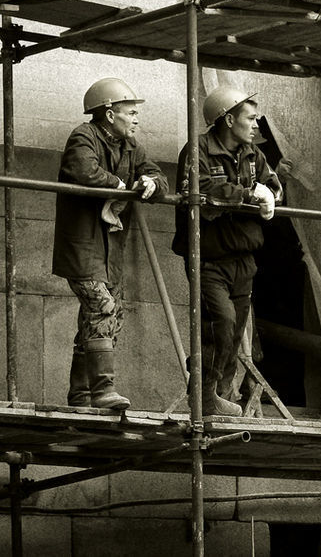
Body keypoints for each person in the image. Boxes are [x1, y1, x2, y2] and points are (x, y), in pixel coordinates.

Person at [53, 78, 169, 410]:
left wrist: (150, 182)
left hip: (109, 249)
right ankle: (103, 390)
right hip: (83, 246)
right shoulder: (82, 137)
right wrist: (122, 184)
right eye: (130, 113)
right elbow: (84, 171)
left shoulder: (132, 146)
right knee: (101, 309)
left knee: (103, 315)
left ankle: (81, 394)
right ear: (108, 114)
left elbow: (158, 177)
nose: (136, 119)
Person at [172, 85, 282, 417]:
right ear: (228, 119)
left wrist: (270, 193)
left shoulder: (254, 154)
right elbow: (202, 191)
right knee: (220, 323)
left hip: (243, 257)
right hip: (209, 257)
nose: (255, 125)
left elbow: (273, 186)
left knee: (233, 333)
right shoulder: (198, 150)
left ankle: (217, 394)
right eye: (250, 118)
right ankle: (205, 394)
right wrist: (250, 194)